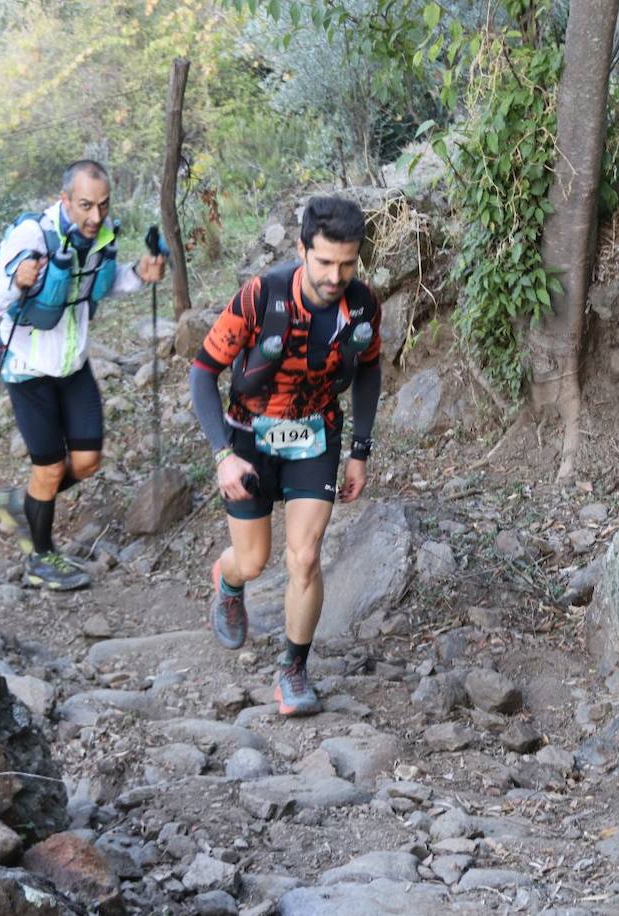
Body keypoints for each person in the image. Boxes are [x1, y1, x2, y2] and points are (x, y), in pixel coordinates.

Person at [189, 195, 382, 717]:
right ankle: (228, 582)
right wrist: (221, 456)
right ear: (302, 250)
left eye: (347, 263)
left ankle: (293, 670)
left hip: (315, 434)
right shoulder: (260, 297)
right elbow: (203, 372)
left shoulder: (362, 304)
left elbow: (369, 368)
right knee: (252, 559)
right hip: (248, 437)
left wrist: (360, 450)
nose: (335, 275)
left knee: (305, 556)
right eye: (323, 262)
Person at [0, 160, 165, 590]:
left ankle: (20, 504)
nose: (95, 216)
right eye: (84, 205)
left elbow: (99, 283)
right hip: (27, 369)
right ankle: (40, 559)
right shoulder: (31, 237)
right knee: (50, 467)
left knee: (87, 463)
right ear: (64, 200)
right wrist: (16, 284)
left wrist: (138, 274)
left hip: (73, 365)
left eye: (102, 204)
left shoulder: (101, 233)